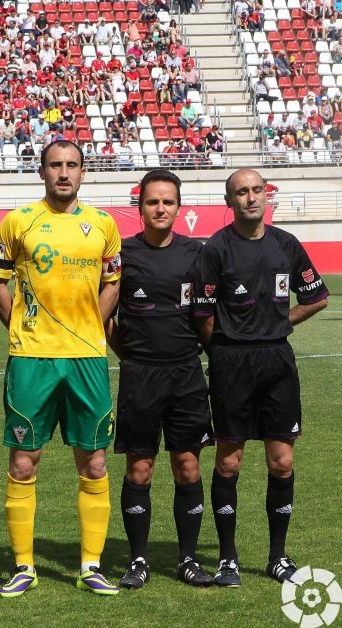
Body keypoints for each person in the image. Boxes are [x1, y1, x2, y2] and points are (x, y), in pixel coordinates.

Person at [0, 140, 122, 598]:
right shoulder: (17, 221)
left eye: (72, 166)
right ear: (41, 172)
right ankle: (24, 566)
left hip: (87, 360)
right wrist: (17, 325)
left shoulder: (104, 225)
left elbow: (113, 285)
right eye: (55, 165)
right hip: (31, 360)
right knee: (24, 463)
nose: (64, 173)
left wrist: (89, 331)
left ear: (84, 172)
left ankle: (90, 565)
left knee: (95, 460)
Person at [192, 168, 329, 588]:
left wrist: (278, 325)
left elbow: (317, 297)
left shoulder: (286, 244)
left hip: (277, 362)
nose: (251, 198)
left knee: (282, 461)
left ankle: (277, 557)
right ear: (229, 201)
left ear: (266, 195)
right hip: (232, 363)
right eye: (241, 192)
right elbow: (203, 315)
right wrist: (230, 343)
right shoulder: (215, 249)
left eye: (256, 190)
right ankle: (228, 559)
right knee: (229, 460)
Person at [107, 170, 214, 590]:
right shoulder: (123, 254)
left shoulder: (197, 253)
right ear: (140, 207)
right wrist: (130, 357)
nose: (160, 208)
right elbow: (105, 316)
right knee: (140, 469)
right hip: (140, 377)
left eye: (168, 201)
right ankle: (138, 561)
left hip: (187, 374)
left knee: (188, 466)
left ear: (179, 207)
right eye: (153, 201)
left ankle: (188, 559)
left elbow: (207, 315)